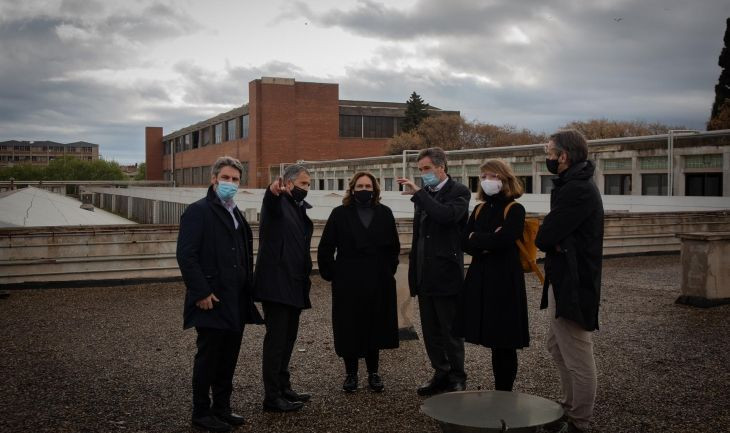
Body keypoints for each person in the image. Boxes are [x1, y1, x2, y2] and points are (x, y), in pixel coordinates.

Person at [177, 156, 264, 433]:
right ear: (214, 179)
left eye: (235, 179)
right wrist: (201, 292)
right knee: (208, 358)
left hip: (236, 298)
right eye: (225, 178)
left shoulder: (235, 212)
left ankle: (222, 408)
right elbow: (186, 256)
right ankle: (201, 412)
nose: (230, 183)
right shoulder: (198, 211)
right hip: (211, 299)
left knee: (228, 357)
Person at [536, 129, 604, 433]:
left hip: (574, 283)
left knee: (577, 352)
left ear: (564, 156)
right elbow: (552, 236)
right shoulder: (572, 185)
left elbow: (545, 236)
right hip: (563, 278)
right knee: (557, 347)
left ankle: (580, 421)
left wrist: (551, 237)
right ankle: (568, 407)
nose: (547, 157)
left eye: (550, 152)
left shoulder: (577, 189)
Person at [317, 172, 400, 393]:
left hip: (378, 279)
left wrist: (386, 272)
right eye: (360, 186)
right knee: (349, 326)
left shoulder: (385, 213)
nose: (364, 189)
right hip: (348, 280)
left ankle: (373, 372)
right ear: (352, 189)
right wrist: (332, 273)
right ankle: (350, 374)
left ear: (375, 189)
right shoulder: (339, 214)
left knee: (375, 325)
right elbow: (326, 247)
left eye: (368, 186)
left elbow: (394, 247)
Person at [397, 147, 470, 396]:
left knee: (450, 330)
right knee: (430, 332)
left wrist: (419, 194)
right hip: (424, 273)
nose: (423, 174)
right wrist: (413, 274)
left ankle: (458, 376)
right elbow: (419, 236)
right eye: (420, 170)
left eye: (426, 168)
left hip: (446, 273)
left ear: (442, 167)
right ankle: (440, 372)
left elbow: (446, 216)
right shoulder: (425, 194)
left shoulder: (458, 192)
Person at [454, 159, 530, 392]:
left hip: (505, 280)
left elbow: (506, 239)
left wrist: (479, 239)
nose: (488, 180)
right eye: (485, 176)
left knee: (505, 341)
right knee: (490, 336)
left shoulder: (515, 209)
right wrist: (487, 241)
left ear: (505, 179)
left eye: (494, 176)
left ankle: (504, 390)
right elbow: (464, 241)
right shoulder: (479, 209)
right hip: (481, 278)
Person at [253, 164, 313, 413]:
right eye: (302, 184)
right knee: (276, 341)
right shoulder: (277, 205)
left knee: (288, 339)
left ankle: (283, 386)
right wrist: (271, 191)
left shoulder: (298, 209)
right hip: (277, 285)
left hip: (295, 284)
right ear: (287, 184)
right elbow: (271, 203)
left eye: (308, 184)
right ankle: (272, 396)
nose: (306, 189)